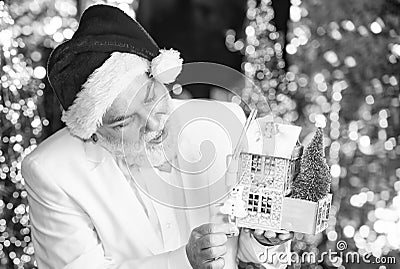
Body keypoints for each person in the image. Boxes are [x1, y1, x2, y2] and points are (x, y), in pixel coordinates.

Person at [22, 4, 293, 269]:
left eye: (152, 98)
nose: (153, 123)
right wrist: (184, 261)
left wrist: (264, 242)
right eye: (124, 122)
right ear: (93, 132)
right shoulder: (51, 171)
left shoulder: (225, 122)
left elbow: (252, 255)